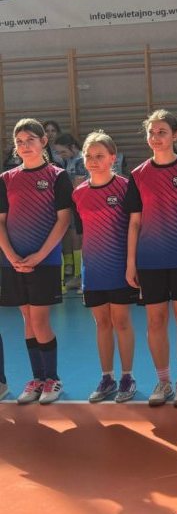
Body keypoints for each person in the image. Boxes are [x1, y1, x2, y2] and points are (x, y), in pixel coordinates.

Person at [124, 109, 177, 407]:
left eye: (162, 132)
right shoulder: (138, 175)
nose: (156, 137)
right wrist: (131, 263)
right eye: (152, 132)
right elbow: (134, 222)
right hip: (150, 260)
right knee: (155, 320)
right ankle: (164, 381)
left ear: (175, 135)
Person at [0, 118, 72, 404]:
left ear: (43, 141)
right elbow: (1, 222)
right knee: (27, 320)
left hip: (45, 261)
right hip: (13, 262)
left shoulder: (57, 176)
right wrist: (11, 256)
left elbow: (63, 220)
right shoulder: (6, 179)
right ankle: (37, 379)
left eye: (30, 139)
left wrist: (40, 255)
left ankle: (52, 378)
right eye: (19, 141)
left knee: (40, 320)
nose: (25, 145)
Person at [72, 131, 138, 402]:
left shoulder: (125, 187)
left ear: (113, 158)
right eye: (88, 156)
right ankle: (107, 377)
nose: (93, 161)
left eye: (99, 156)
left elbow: (135, 227)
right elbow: (82, 233)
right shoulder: (79, 193)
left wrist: (132, 265)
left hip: (120, 268)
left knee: (121, 321)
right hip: (93, 270)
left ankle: (127, 377)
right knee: (101, 323)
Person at [52, 132, 87, 291]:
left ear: (73, 147)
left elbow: (77, 186)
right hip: (73, 205)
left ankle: (82, 276)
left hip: (83, 205)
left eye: (63, 151)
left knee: (81, 239)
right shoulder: (68, 161)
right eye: (58, 152)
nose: (61, 155)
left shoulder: (80, 161)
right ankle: (78, 275)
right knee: (74, 239)